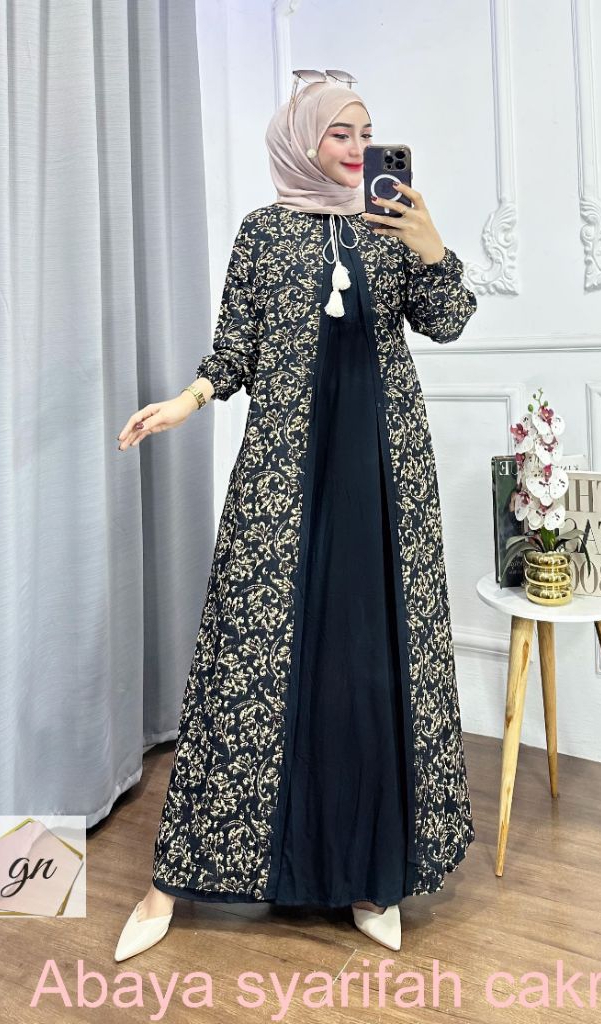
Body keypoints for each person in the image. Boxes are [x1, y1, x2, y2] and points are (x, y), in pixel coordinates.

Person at [114, 75, 477, 961]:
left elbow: (449, 322)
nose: (355, 149)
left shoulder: (393, 227)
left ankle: (371, 874)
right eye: (338, 134)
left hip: (383, 478)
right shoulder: (262, 233)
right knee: (246, 660)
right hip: (284, 476)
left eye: (365, 133)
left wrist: (431, 247)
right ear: (302, 141)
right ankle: (172, 882)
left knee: (371, 663)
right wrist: (187, 400)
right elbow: (235, 348)